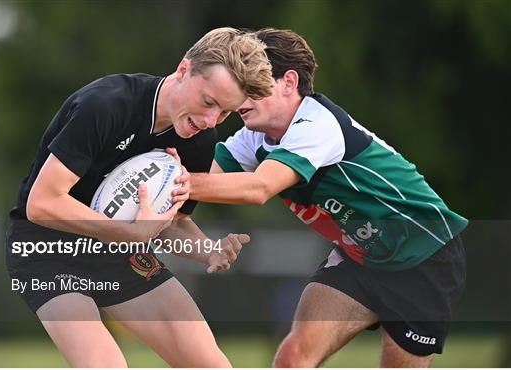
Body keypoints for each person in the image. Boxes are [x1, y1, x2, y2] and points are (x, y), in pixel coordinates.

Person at [188, 28, 468, 367]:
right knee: (293, 358)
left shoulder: (316, 126)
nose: (240, 96)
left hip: (422, 255)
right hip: (360, 259)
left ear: (289, 82)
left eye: (252, 84)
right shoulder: (253, 137)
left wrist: (175, 184)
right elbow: (207, 178)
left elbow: (257, 189)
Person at [5, 27, 274, 367]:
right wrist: (130, 234)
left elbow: (167, 224)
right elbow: (41, 204)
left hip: (119, 254)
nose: (210, 121)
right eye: (208, 102)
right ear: (183, 70)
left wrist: (209, 250)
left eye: (224, 113)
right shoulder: (105, 105)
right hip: (47, 249)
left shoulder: (199, 140)